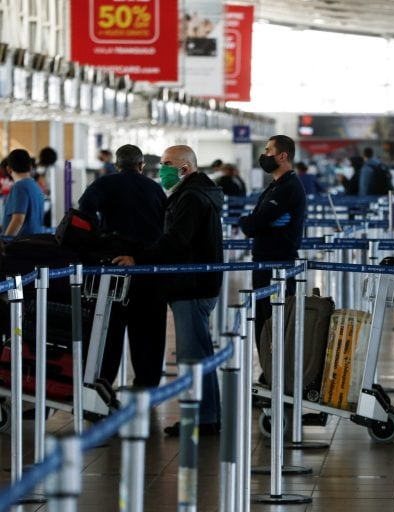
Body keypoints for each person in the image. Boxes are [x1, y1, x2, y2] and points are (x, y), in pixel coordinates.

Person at [113, 144, 224, 436]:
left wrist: (139, 258)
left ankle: (201, 418)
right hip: (196, 283)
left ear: (184, 168)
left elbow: (175, 240)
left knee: (193, 356)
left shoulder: (191, 198)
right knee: (200, 352)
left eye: (166, 164)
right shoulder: (196, 193)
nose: (160, 169)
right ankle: (208, 415)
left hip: (191, 285)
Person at [78, 144, 168, 389]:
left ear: (117, 165)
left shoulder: (105, 183)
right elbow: (165, 227)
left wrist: (100, 239)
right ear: (141, 166)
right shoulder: (156, 188)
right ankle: (147, 386)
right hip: (149, 271)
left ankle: (103, 383)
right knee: (149, 332)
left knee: (108, 327)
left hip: (113, 270)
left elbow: (84, 208)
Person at [239, 135, 306, 347]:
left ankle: (277, 372)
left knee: (275, 319)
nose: (264, 155)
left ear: (282, 156)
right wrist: (257, 221)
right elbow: (256, 220)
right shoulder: (275, 186)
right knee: (264, 317)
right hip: (265, 260)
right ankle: (269, 372)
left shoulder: (289, 188)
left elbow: (252, 225)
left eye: (268, 150)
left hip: (277, 262)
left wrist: (253, 221)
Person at [3, 149, 45, 236]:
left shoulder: (19, 187)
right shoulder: (36, 186)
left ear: (9, 169)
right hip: (34, 242)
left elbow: (18, 220)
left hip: (21, 245)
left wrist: (4, 242)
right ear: (30, 167)